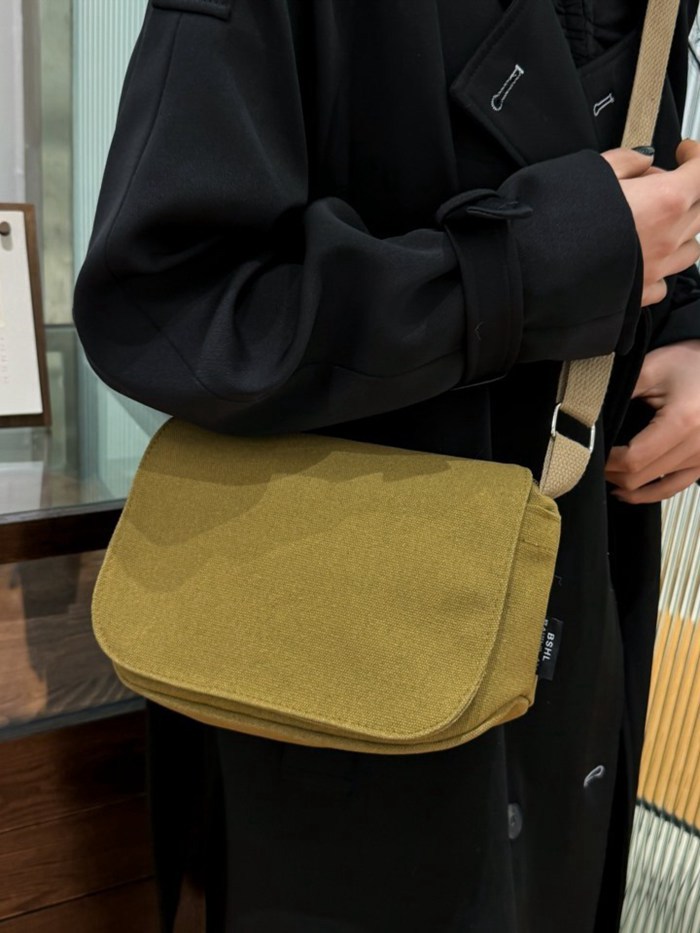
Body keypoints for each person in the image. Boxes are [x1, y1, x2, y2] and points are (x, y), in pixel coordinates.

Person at [73, 0, 700, 930]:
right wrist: (525, 270)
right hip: (335, 654)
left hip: (582, 613)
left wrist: (685, 328)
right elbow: (164, 305)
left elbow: (628, 196)